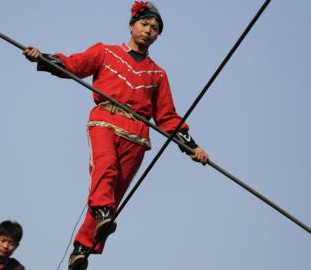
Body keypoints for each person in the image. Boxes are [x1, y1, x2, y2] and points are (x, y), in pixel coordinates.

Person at [24, 2, 209, 269]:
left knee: (114, 192)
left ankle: (81, 249)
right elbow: (74, 64)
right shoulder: (106, 52)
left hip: (136, 136)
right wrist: (42, 57)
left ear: (158, 36)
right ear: (132, 25)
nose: (148, 30)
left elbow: (167, 117)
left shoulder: (158, 74)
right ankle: (100, 212)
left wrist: (193, 148)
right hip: (105, 121)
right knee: (105, 168)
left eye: (155, 28)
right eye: (144, 24)